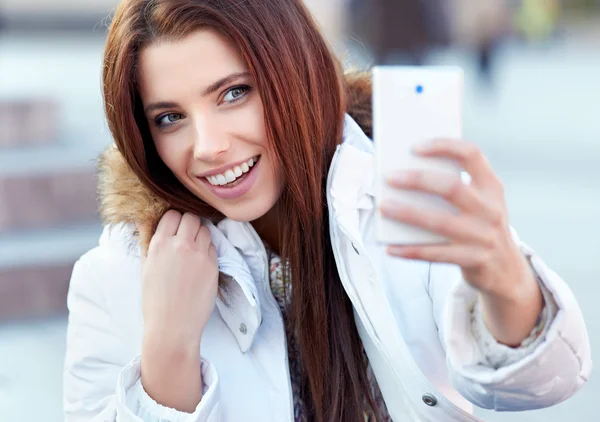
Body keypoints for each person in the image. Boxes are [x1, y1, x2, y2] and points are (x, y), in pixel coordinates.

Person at [63, 1, 591, 421]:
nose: (208, 146)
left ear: (294, 68)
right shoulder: (117, 278)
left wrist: (505, 282)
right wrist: (169, 352)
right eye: (170, 117)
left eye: (234, 93)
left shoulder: (398, 199)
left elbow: (544, 383)